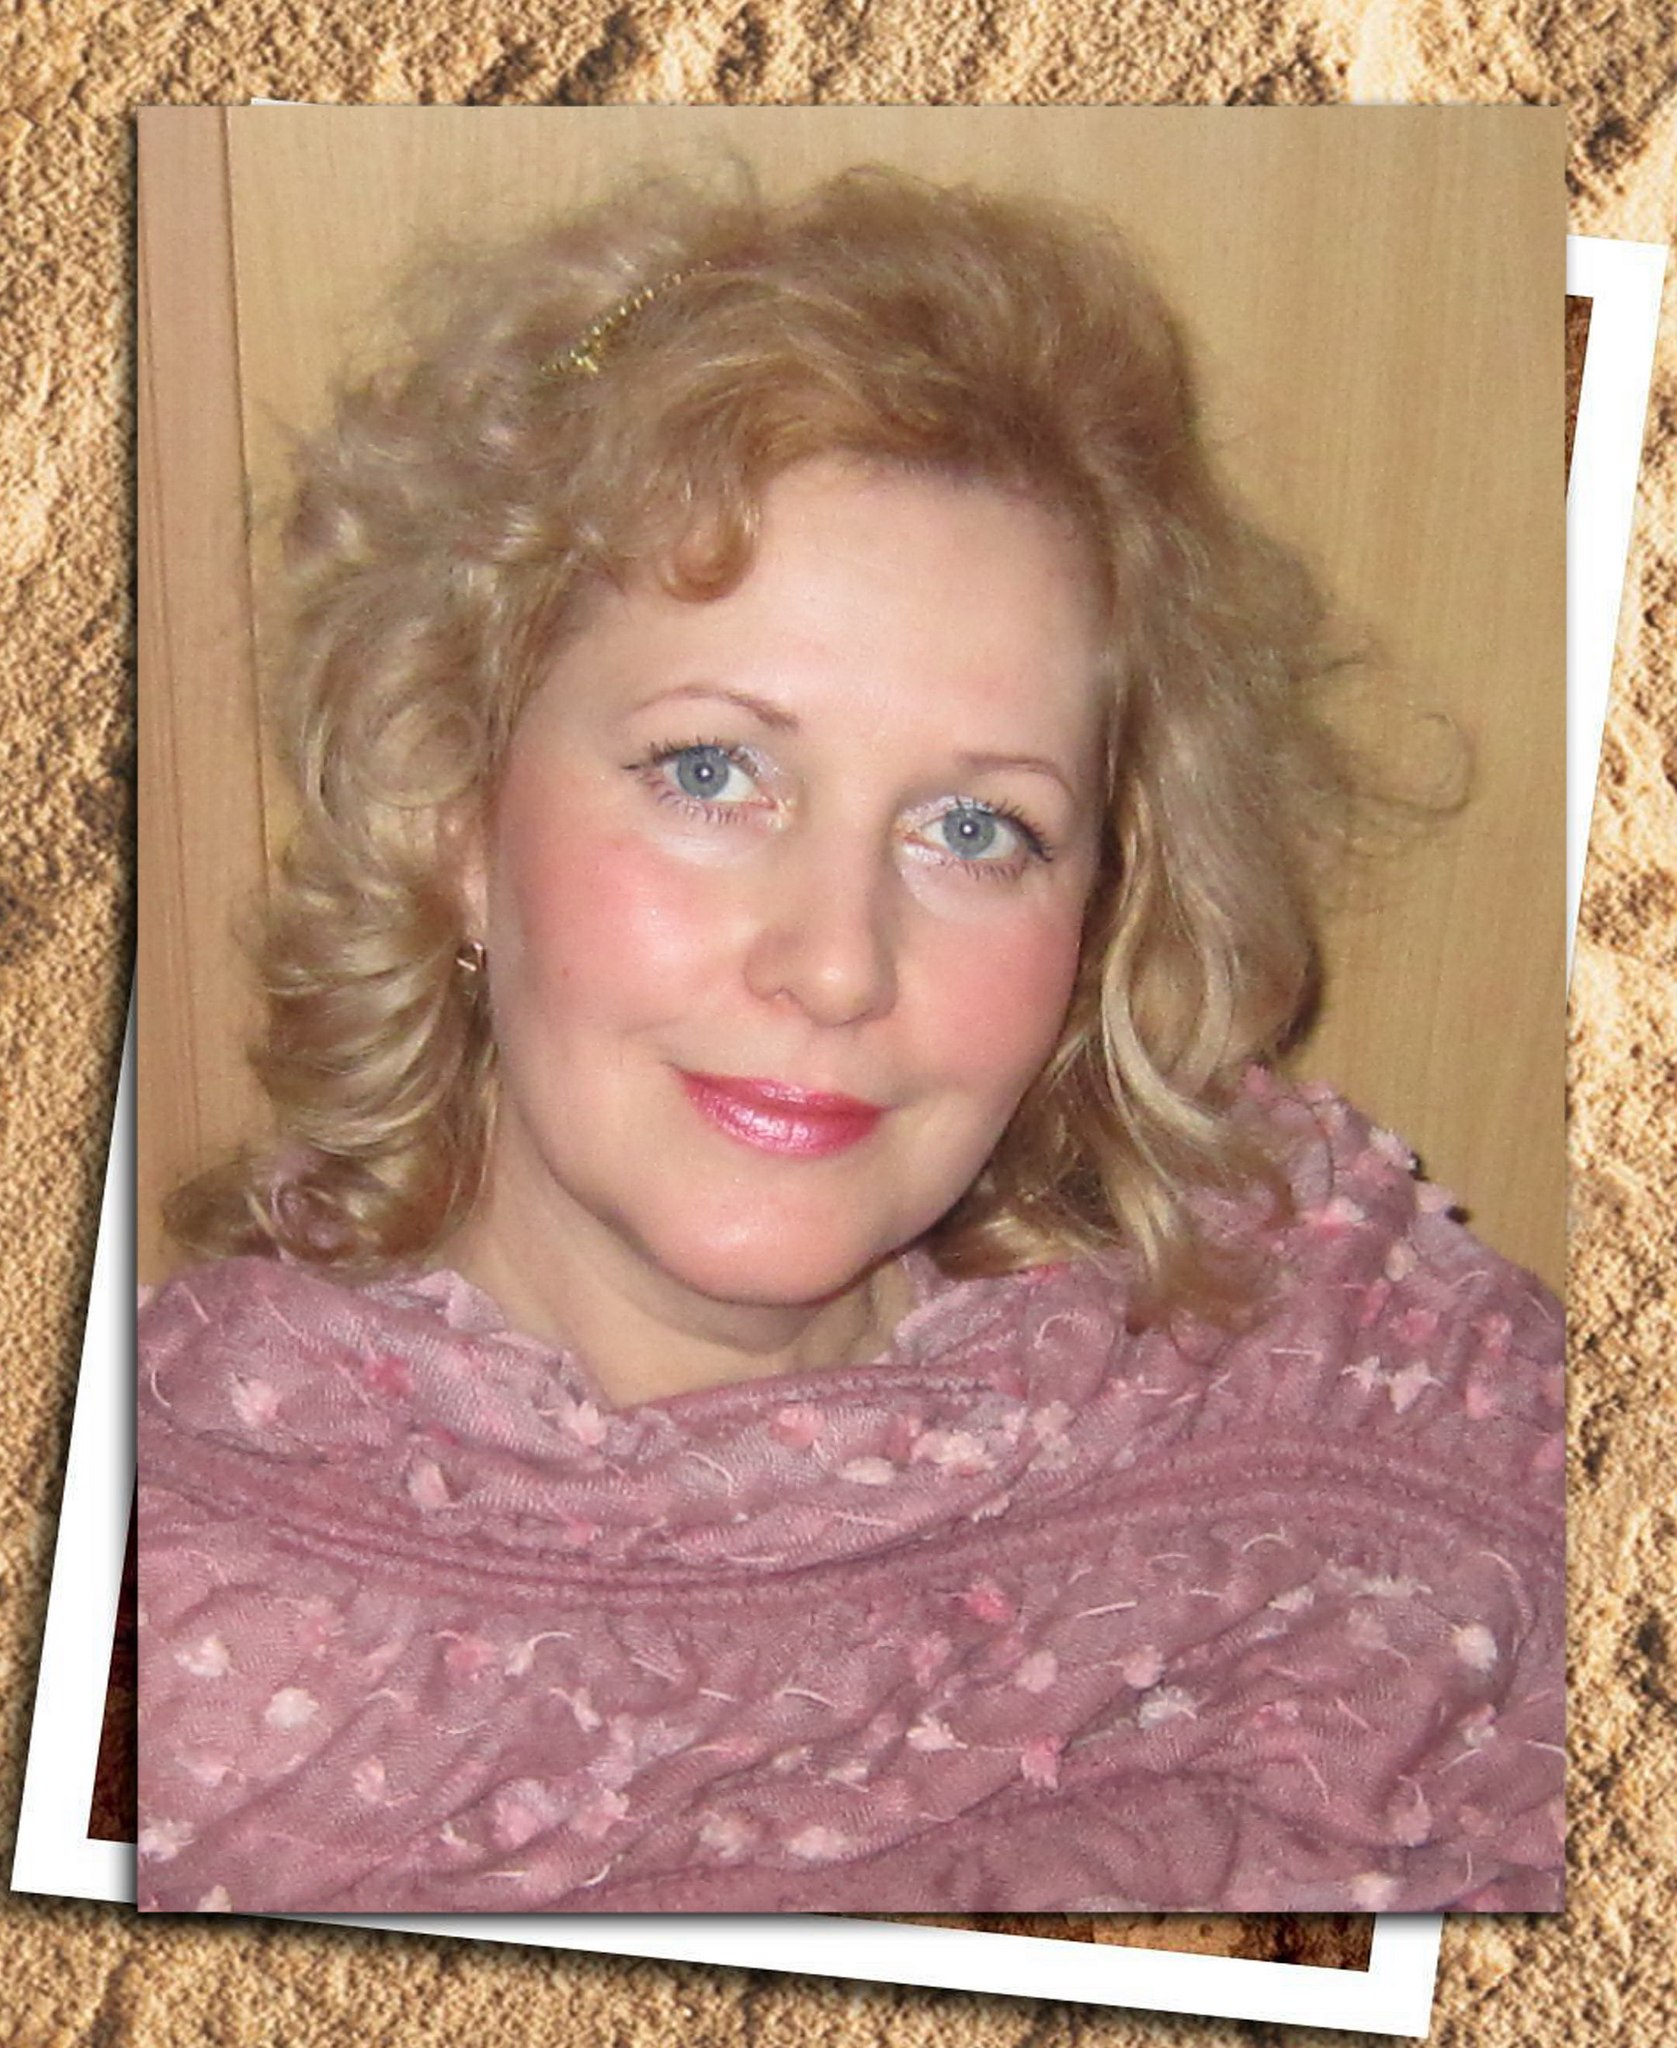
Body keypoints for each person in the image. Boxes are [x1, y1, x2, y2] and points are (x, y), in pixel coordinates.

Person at [137, 164, 1563, 1915]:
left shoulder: (1357, 1383)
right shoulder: (167, 1603)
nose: (833, 966)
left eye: (973, 829)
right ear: (455, 812)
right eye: (710, 772)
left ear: (1098, 916)